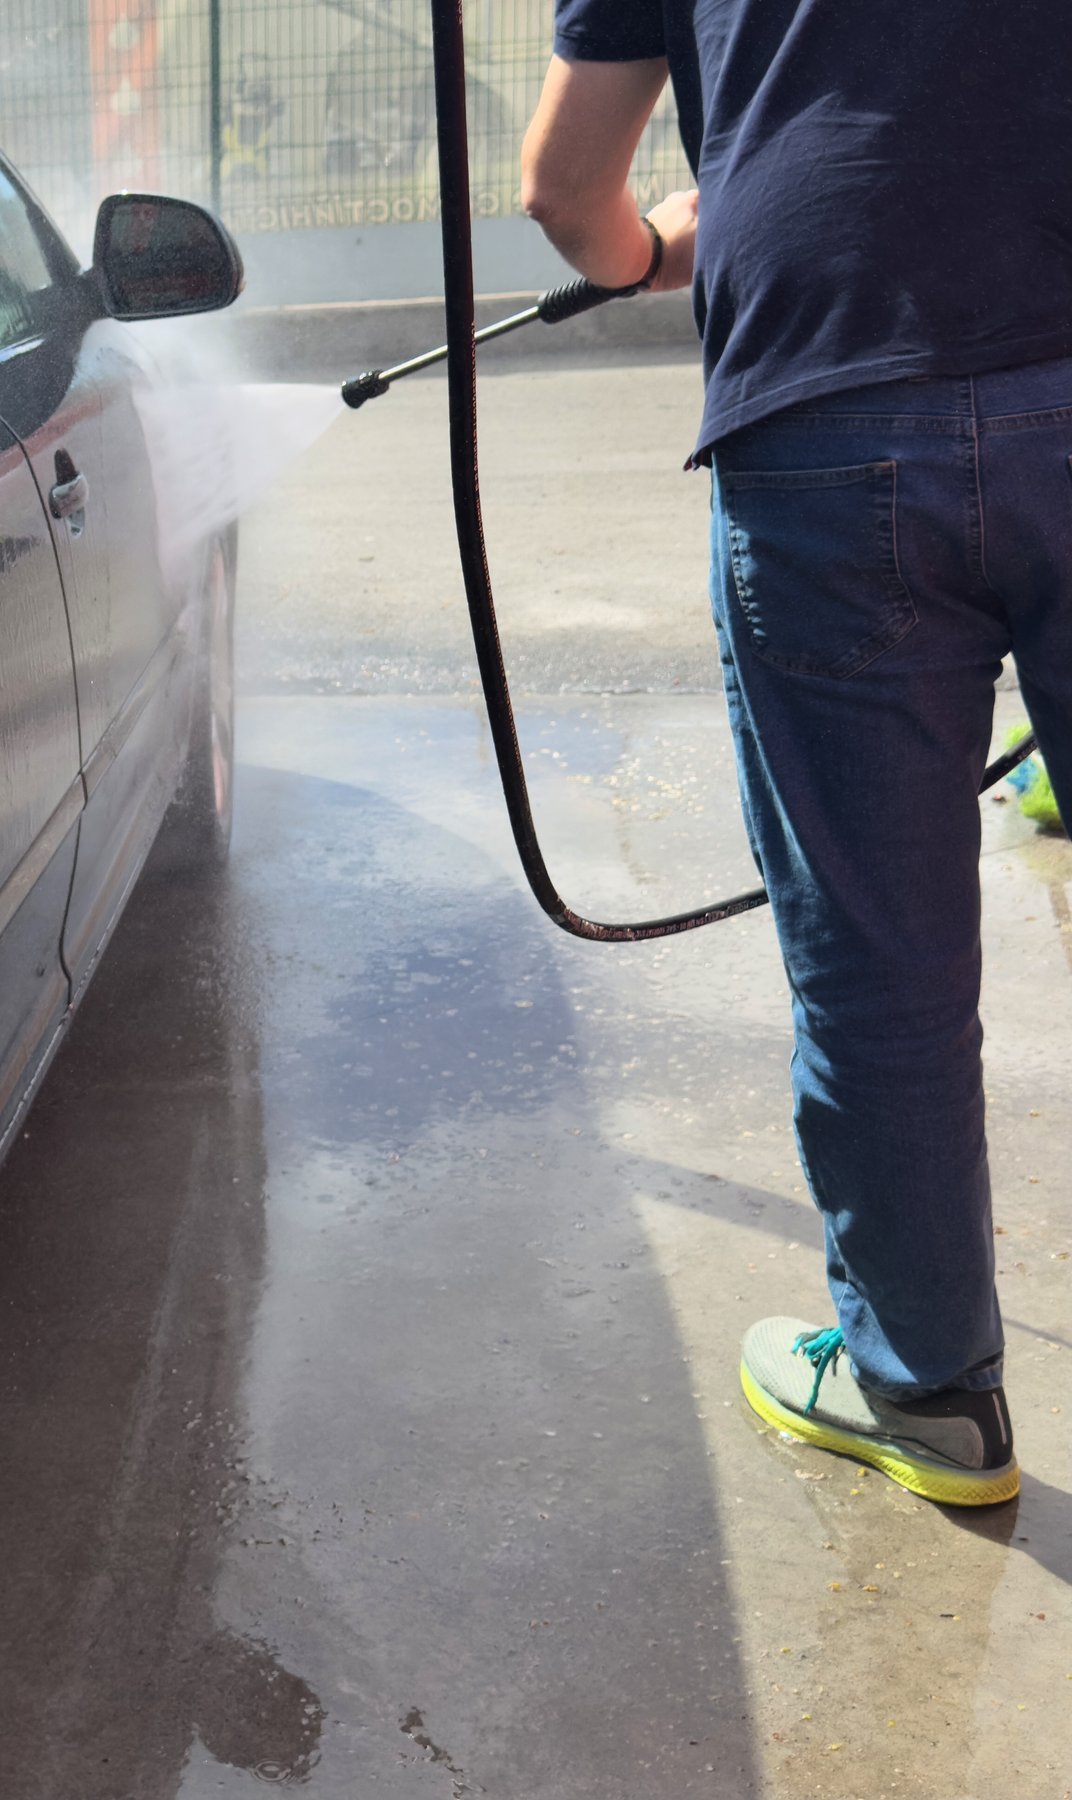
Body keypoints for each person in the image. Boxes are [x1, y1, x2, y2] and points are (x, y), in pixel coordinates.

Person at [520, 3, 1072, 1508]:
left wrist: (646, 250)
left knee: (880, 963)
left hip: (829, 407)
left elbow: (570, 191)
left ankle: (930, 1393)